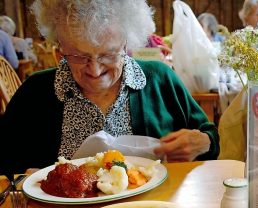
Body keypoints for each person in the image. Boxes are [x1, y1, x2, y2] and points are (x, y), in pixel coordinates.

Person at [0, 0, 219, 178]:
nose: (94, 70)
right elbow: (6, 164)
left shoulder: (160, 79)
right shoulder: (34, 93)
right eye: (79, 56)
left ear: (127, 44)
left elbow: (209, 137)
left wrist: (203, 142)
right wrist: (23, 178)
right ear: (60, 50)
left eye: (108, 54)